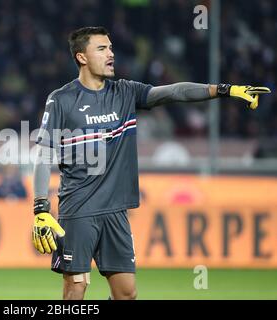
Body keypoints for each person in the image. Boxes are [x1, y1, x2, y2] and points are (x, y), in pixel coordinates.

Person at [31, 26, 270, 300]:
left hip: (116, 212)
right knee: (76, 288)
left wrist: (224, 90)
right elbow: (44, 154)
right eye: (102, 49)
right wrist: (41, 208)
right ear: (81, 57)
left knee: (127, 294)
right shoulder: (61, 99)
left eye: (111, 48)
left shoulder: (125, 92)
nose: (111, 54)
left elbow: (175, 92)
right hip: (79, 211)